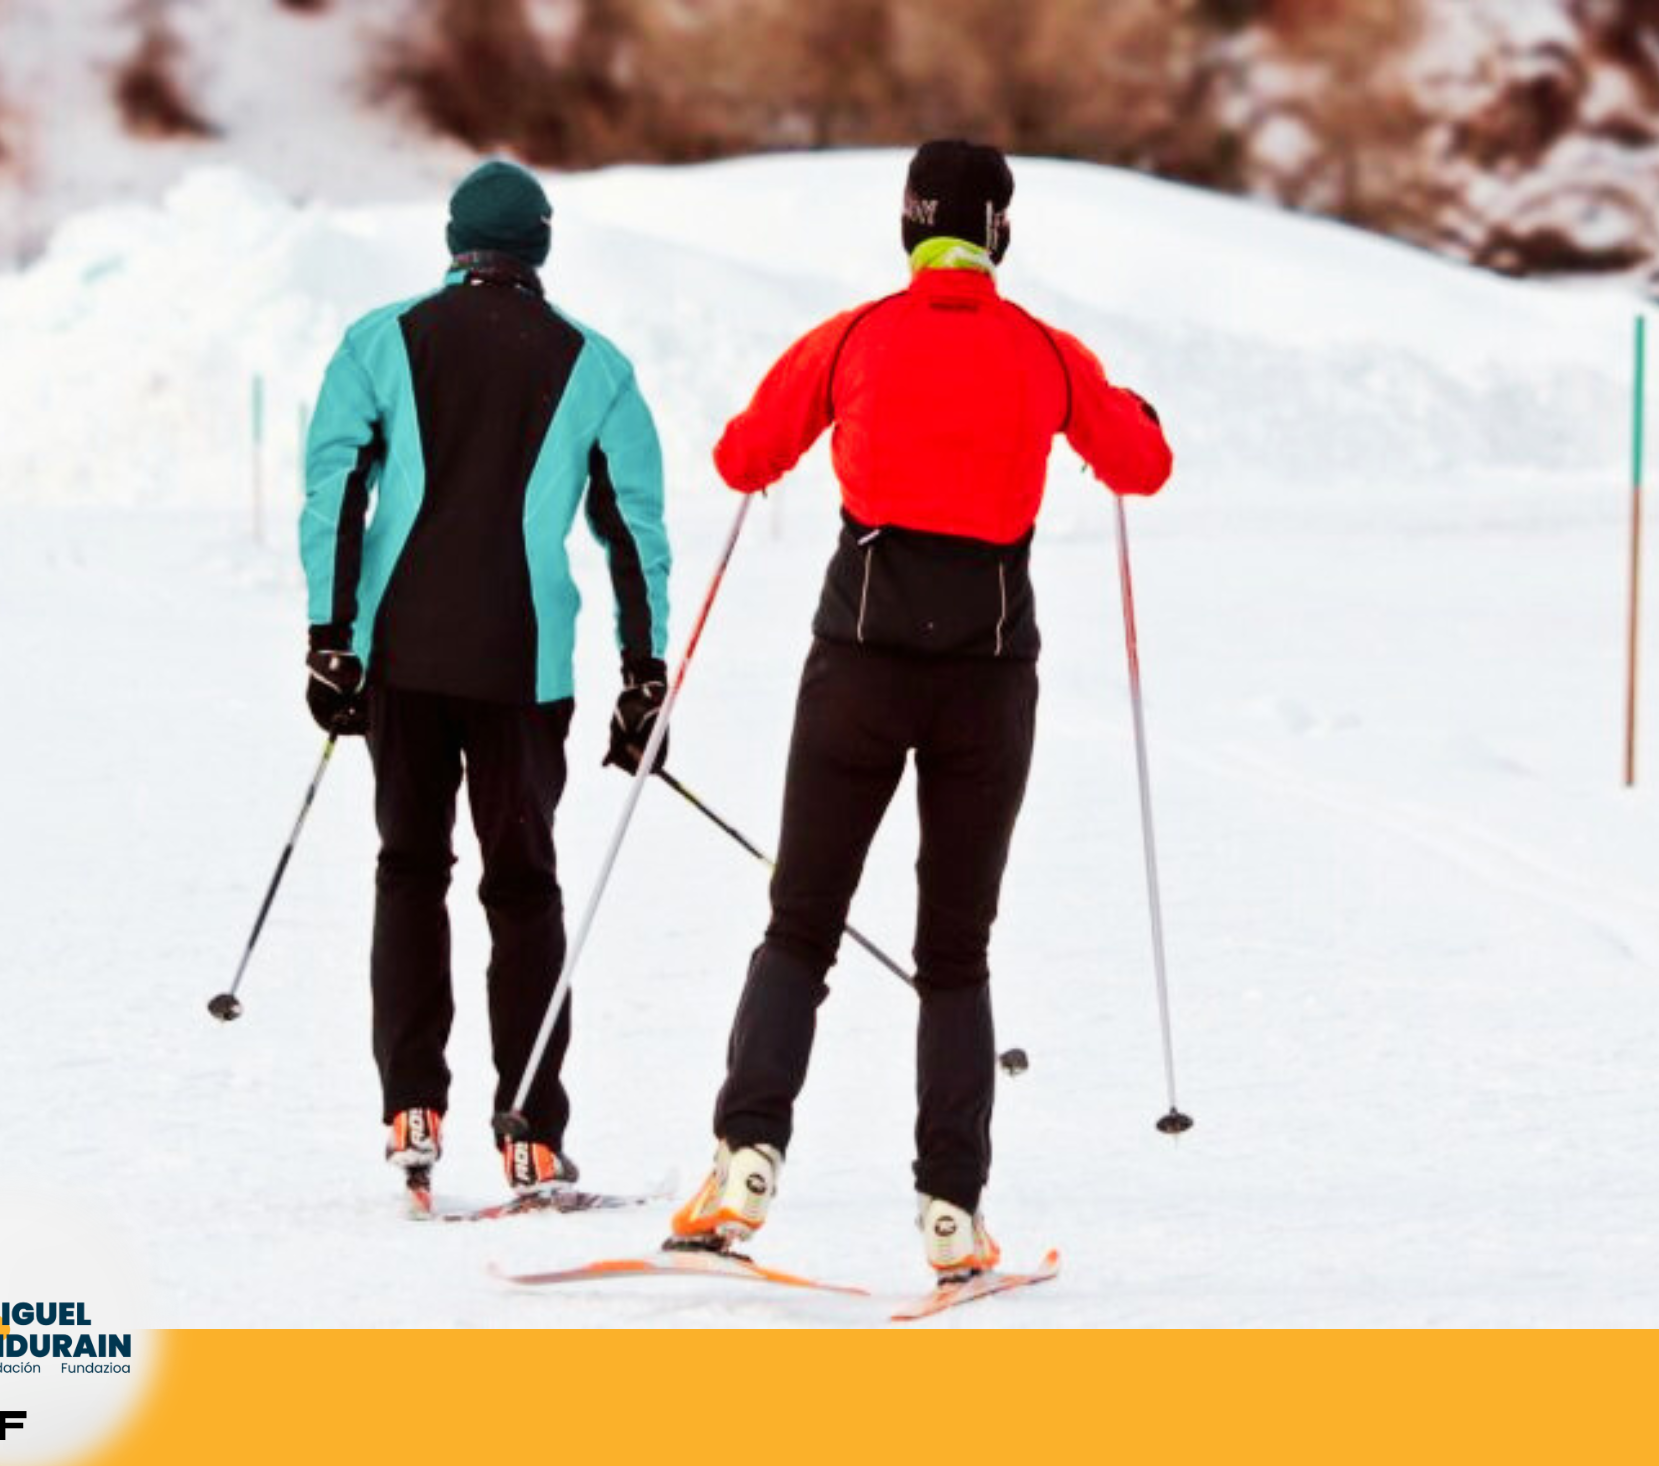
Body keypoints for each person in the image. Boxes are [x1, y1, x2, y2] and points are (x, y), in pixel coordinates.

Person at [669, 140, 1173, 1281]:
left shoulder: (853, 336)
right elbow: (1140, 466)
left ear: (906, 227)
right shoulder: (1044, 352)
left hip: (856, 667)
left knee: (800, 922)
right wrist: (1130, 410)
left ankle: (745, 1160)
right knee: (954, 951)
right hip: (987, 683)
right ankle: (951, 1211)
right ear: (998, 232)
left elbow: (741, 458)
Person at [299, 160, 672, 1207]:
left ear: (455, 241)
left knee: (408, 869)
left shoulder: (378, 340)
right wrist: (645, 677)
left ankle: (410, 1105)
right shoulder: (594, 366)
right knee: (522, 890)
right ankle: (531, 1135)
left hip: (401, 659)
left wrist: (330, 640)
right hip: (522, 666)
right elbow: (632, 535)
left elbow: (334, 493)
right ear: (538, 247)